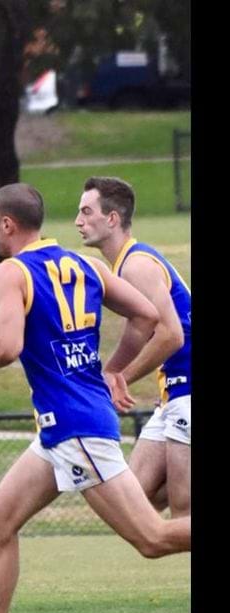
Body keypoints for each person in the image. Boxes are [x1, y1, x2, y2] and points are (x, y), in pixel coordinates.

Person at [0, 184, 191, 613]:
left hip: (76, 427)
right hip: (63, 425)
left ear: (7, 226)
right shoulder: (84, 266)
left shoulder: (10, 272)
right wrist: (111, 372)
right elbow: (148, 315)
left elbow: (4, 345)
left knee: (152, 538)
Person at [75, 176, 191, 518]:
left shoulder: (136, 265)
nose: (77, 221)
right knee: (137, 499)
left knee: (183, 507)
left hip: (188, 388)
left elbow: (172, 335)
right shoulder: (126, 263)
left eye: (86, 211)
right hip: (174, 391)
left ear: (112, 219)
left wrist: (120, 376)